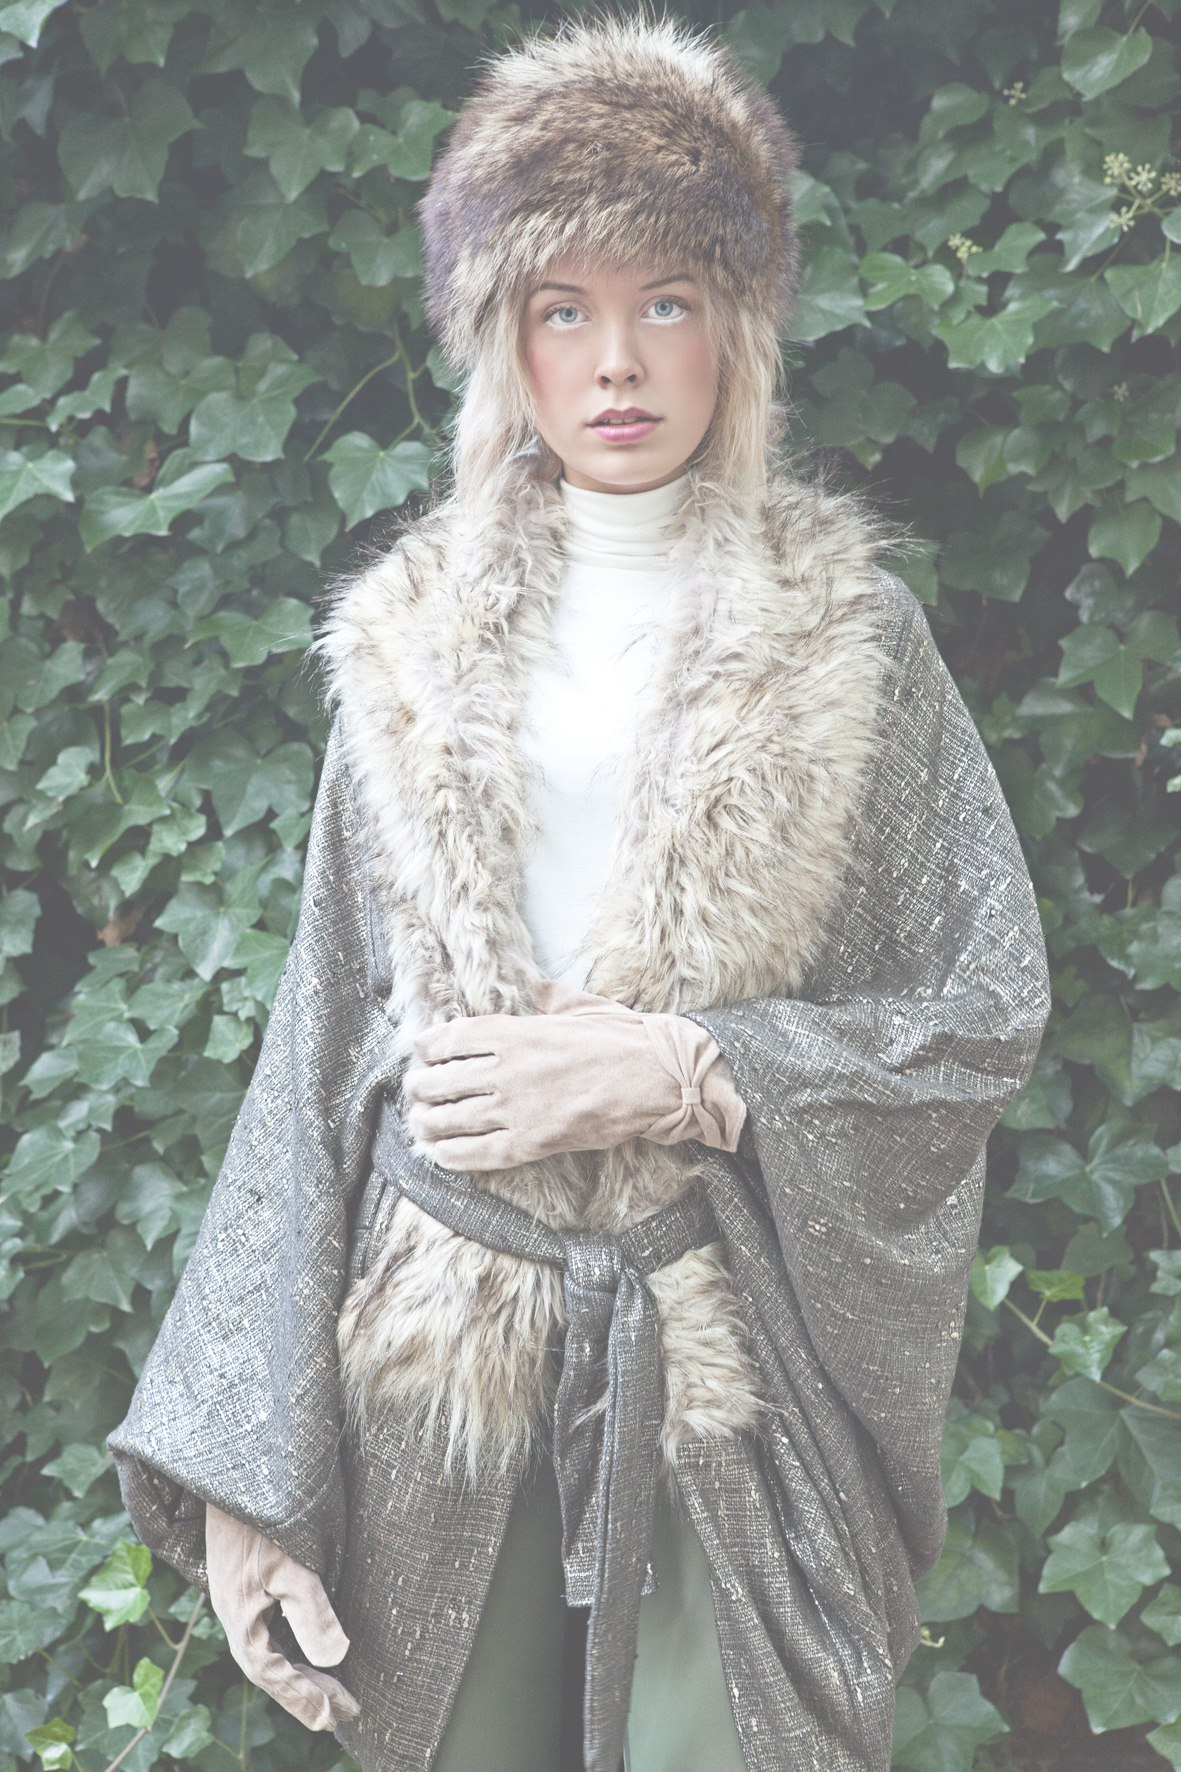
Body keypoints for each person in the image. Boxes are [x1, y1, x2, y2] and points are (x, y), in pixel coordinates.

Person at [109, 18, 1050, 1772]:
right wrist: (247, 1473)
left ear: (735, 326)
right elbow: (320, 1047)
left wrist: (686, 1069)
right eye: (562, 308)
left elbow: (980, 1013)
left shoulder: (848, 637)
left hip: (724, 1374)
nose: (617, 359)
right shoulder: (405, 644)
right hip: (437, 1382)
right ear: (502, 341)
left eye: (665, 299)